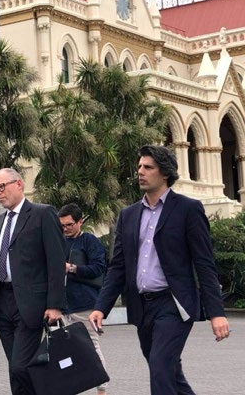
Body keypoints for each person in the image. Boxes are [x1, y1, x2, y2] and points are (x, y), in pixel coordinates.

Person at [89, 145, 230, 395]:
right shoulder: (128, 215)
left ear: (164, 173)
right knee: (170, 373)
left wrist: (216, 313)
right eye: (139, 167)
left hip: (173, 304)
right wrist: (101, 307)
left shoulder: (188, 209)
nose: (140, 172)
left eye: (148, 167)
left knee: (160, 368)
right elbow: (118, 266)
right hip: (142, 307)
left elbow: (204, 264)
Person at [0, 168, 67, 395]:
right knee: (16, 370)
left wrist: (55, 304)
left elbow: (56, 261)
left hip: (30, 305)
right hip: (1, 304)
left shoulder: (43, 214)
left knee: (21, 366)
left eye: (1, 187)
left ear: (19, 184)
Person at [58, 203, 108, 395]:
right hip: (63, 306)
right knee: (69, 351)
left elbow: (98, 268)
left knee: (91, 348)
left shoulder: (89, 241)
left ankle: (102, 390)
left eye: (69, 224)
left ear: (80, 222)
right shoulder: (60, 241)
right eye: (62, 225)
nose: (65, 228)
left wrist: (72, 268)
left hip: (86, 304)